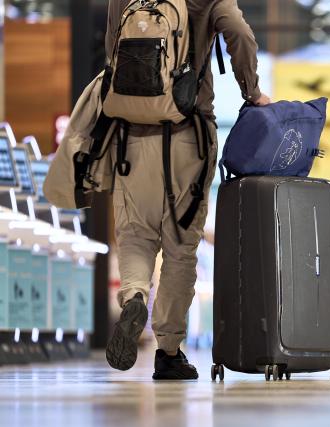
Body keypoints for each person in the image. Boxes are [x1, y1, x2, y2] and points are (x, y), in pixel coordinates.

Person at [104, 0, 271, 380]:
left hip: (130, 134)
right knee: (180, 246)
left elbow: (112, 48)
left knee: (134, 234)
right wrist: (252, 91)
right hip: (188, 137)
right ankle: (168, 351)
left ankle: (133, 296)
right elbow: (239, 34)